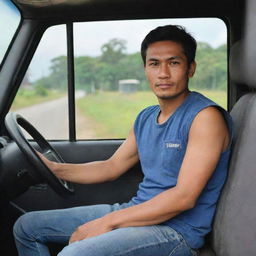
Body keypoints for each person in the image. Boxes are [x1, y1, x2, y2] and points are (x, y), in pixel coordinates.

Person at [13, 25, 232, 256]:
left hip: (177, 231)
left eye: (174, 62)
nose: (164, 73)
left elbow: (184, 198)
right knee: (27, 227)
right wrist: (53, 168)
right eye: (154, 63)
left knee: (73, 254)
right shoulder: (146, 117)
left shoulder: (205, 118)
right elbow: (111, 167)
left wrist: (108, 222)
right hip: (138, 211)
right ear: (146, 68)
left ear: (191, 68)